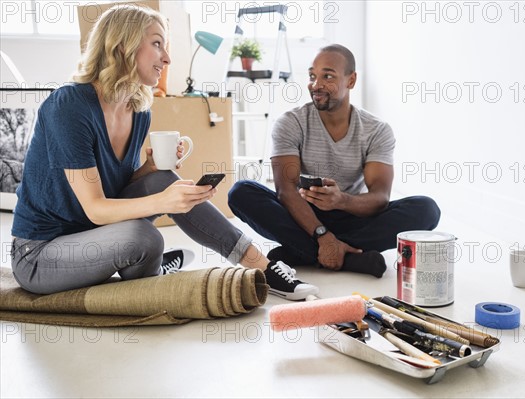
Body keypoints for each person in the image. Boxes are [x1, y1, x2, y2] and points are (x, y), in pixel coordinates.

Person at [9, 4, 318, 301]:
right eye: (157, 44)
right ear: (122, 46)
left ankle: (261, 266)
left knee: (163, 178)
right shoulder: (70, 106)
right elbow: (95, 208)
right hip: (41, 253)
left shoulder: (138, 110)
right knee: (144, 238)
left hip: (95, 235)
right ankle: (152, 267)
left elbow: (118, 187)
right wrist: (164, 201)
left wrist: (153, 167)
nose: (167, 58)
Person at [228, 44, 441, 277]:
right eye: (312, 76)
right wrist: (323, 236)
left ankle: (304, 253)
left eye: (327, 76)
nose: (316, 85)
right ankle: (349, 258)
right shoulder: (290, 122)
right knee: (241, 191)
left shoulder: (376, 130)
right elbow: (286, 191)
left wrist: (341, 201)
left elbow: (380, 198)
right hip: (303, 218)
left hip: (354, 215)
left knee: (427, 209)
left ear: (351, 81)